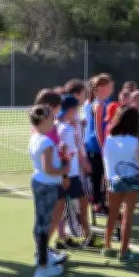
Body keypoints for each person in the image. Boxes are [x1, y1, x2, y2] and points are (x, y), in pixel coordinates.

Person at [28, 105, 70, 277]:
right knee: (43, 226)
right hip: (47, 186)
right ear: (44, 120)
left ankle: (43, 256)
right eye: (52, 118)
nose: (54, 121)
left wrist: (60, 154)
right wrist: (65, 168)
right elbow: (49, 168)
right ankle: (43, 267)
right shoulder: (46, 142)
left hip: (40, 183)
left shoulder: (36, 138)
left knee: (41, 223)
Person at [101, 107, 139, 261]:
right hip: (131, 180)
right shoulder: (136, 142)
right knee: (128, 215)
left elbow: (106, 161)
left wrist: (108, 180)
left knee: (113, 214)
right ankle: (124, 251)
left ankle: (107, 246)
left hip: (113, 180)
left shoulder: (109, 139)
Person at [56, 95, 92, 247]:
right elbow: (64, 152)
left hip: (67, 174)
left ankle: (62, 237)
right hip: (70, 175)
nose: (78, 112)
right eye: (76, 109)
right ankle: (87, 237)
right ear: (71, 110)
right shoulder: (66, 129)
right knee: (82, 205)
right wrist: (67, 175)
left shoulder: (60, 125)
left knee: (64, 208)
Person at [84, 74, 114, 214]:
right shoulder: (99, 104)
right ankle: (96, 204)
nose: (112, 87)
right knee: (96, 176)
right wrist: (103, 148)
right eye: (109, 85)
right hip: (95, 146)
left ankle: (102, 202)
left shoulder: (106, 101)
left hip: (103, 144)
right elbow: (97, 129)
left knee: (103, 176)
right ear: (101, 88)